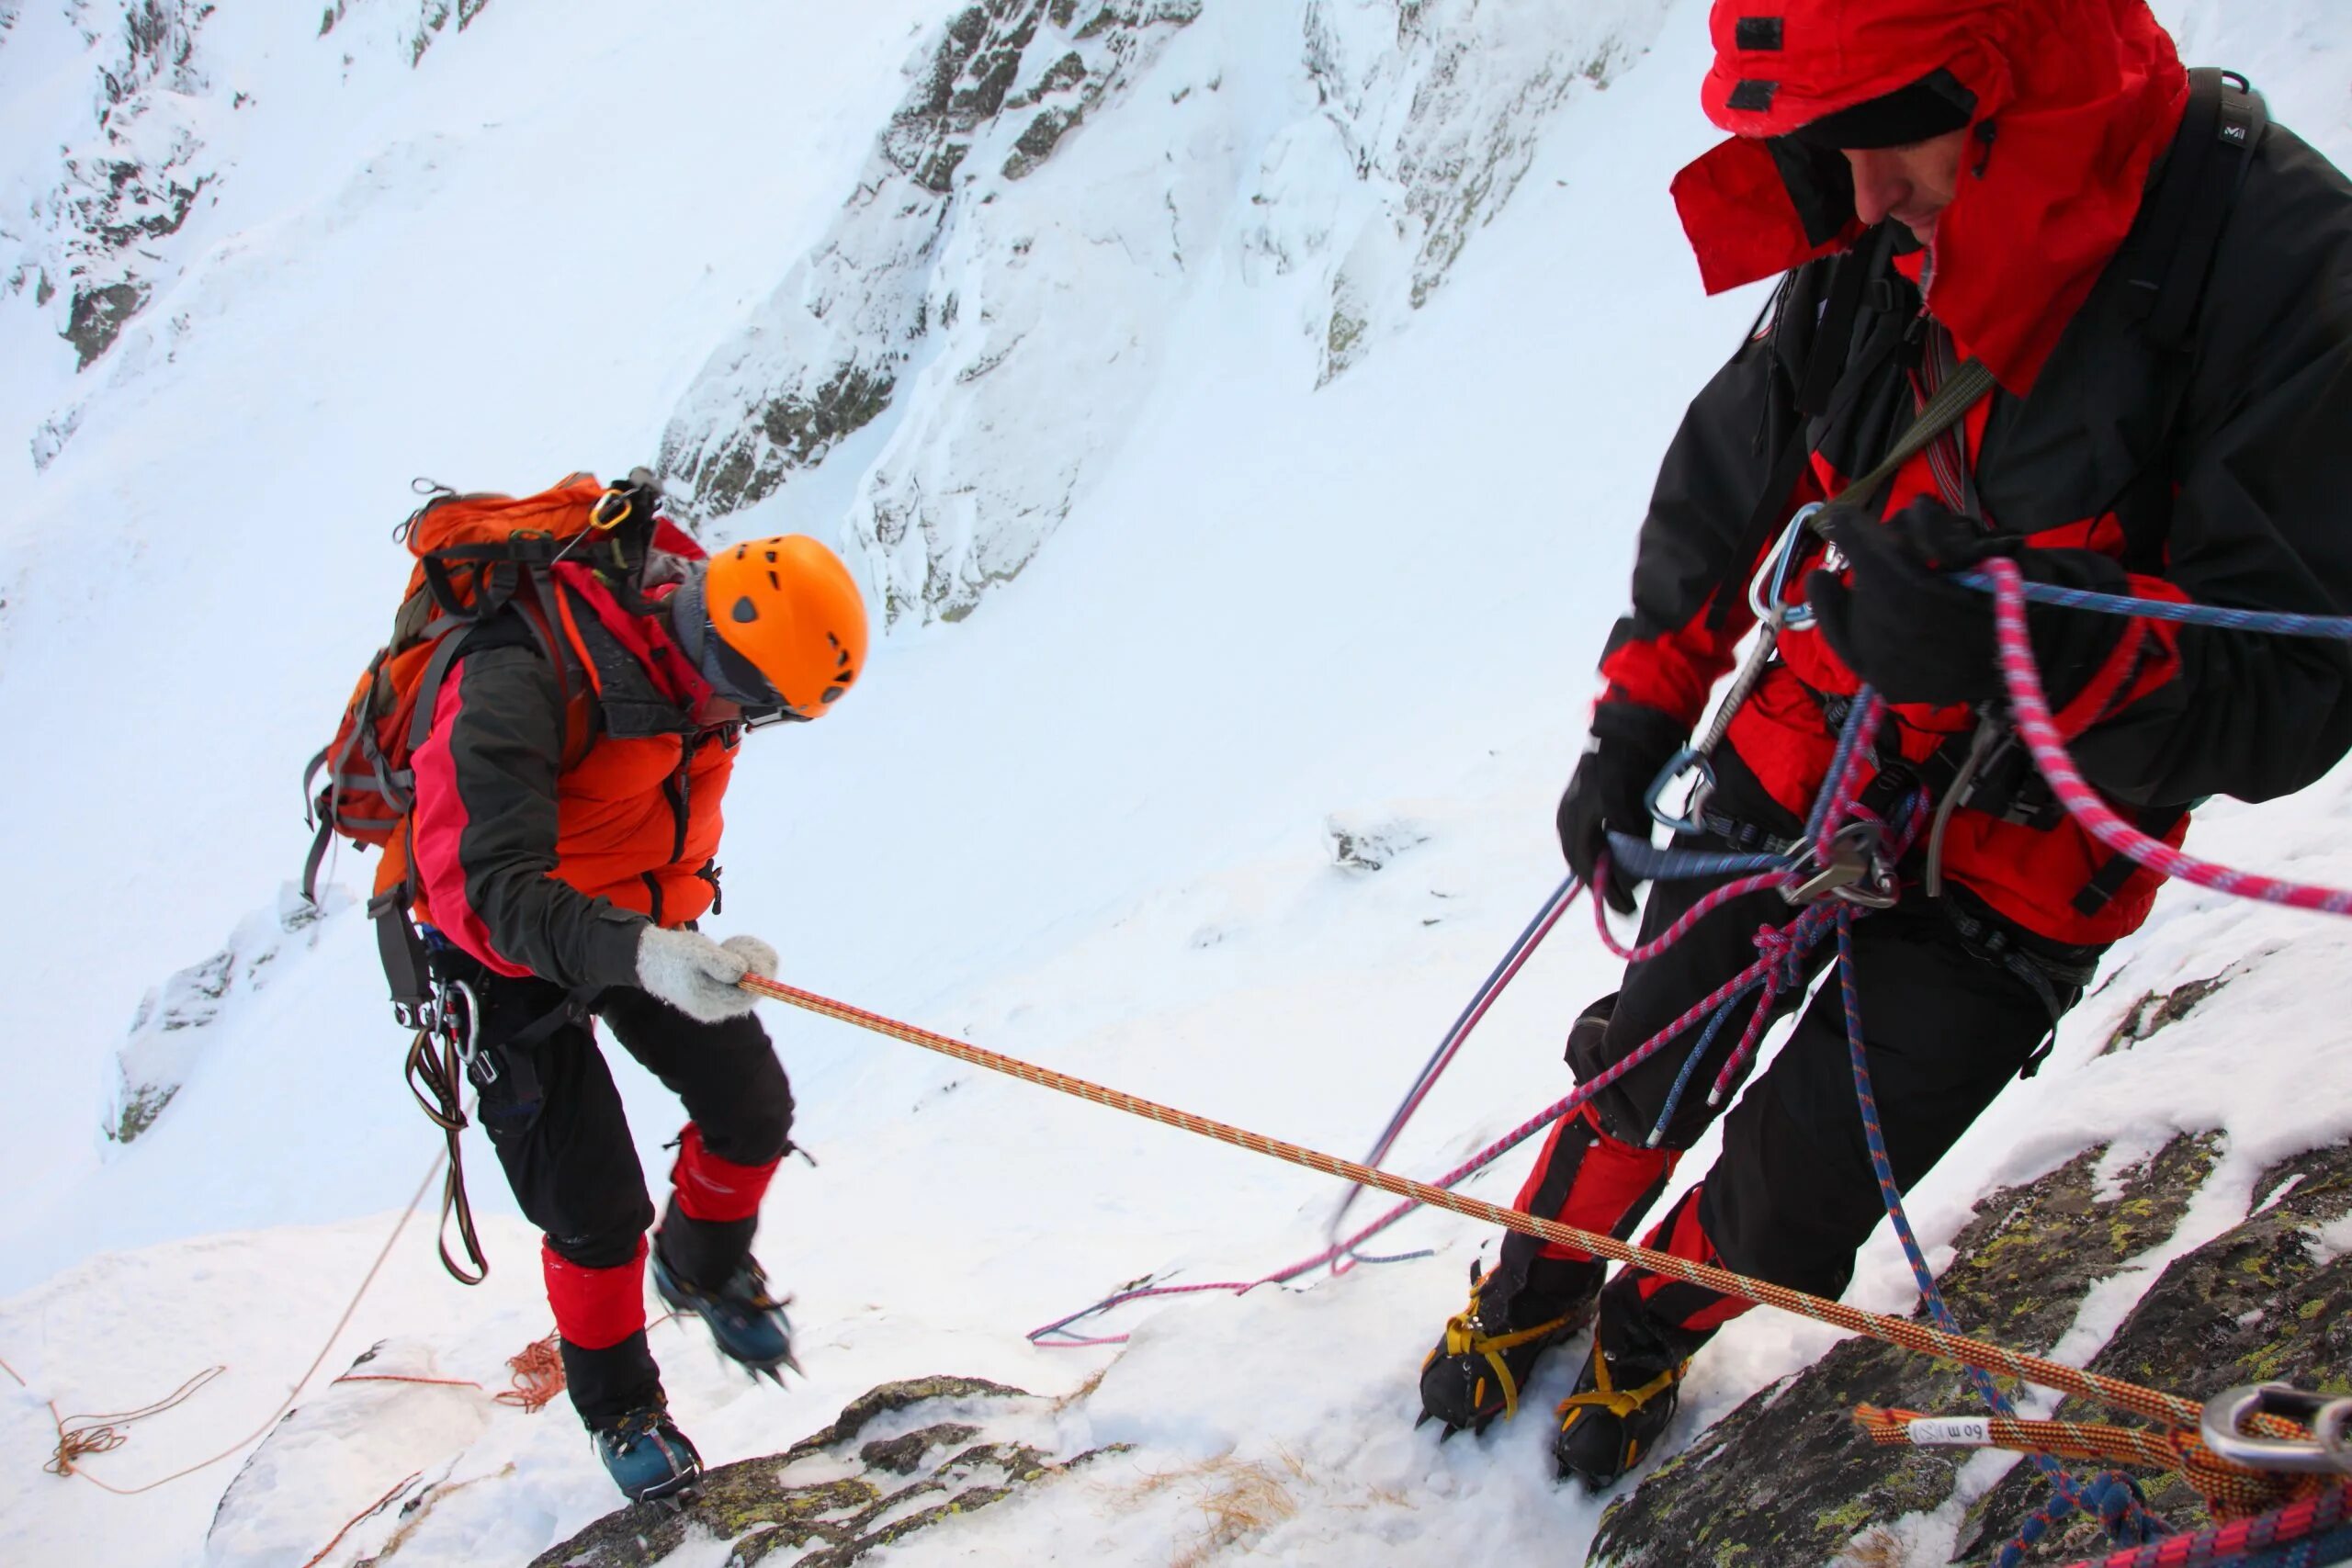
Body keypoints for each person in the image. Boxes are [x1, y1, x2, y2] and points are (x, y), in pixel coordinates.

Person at [1418, 0, 2352, 1490]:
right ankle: (1529, 1296)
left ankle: (1647, 1337)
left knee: (1801, 1188)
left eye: (1885, 141)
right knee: (1654, 1056)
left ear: (2008, 87)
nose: (1856, 198)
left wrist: (2031, 647)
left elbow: (2295, 677)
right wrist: (1643, 705)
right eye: (1832, 148)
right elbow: (1749, 457)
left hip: (2029, 854)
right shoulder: (1891, 211)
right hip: (1807, 743)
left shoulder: (2278, 265)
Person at [405, 502, 867, 1503]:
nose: (747, 724)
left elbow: (642, 811)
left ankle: (701, 1266)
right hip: (497, 951)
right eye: (751, 702)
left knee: (749, 1107)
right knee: (592, 1208)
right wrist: (645, 951)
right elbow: (487, 890)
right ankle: (621, 1408)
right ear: (711, 641)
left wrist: (680, 928)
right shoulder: (518, 672)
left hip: (633, 919)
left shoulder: (705, 671)